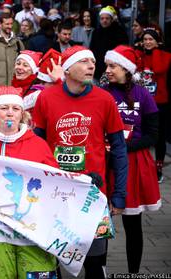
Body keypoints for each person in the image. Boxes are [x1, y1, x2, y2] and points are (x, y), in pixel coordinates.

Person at [33, 45, 128, 279]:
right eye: (84, 61)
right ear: (66, 69)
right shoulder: (46, 97)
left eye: (92, 62)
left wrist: (119, 193)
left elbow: (119, 149)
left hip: (93, 196)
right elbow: (36, 147)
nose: (91, 66)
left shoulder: (105, 99)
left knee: (94, 264)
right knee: (48, 261)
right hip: (54, 194)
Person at [0, 86, 59, 278]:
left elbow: (56, 183)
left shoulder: (39, 145)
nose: (10, 112)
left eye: (15, 108)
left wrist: (82, 181)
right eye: (4, 108)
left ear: (22, 114)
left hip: (34, 232)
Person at [104, 45, 161, 273]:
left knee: (132, 225)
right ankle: (101, 270)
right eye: (107, 65)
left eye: (112, 66)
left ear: (126, 69)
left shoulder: (143, 94)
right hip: (105, 163)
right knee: (101, 224)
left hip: (133, 163)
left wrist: (123, 146)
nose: (107, 70)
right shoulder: (102, 93)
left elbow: (153, 134)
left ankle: (133, 273)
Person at [137, 27, 171, 183]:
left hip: (160, 102)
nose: (147, 42)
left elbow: (158, 68)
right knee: (143, 135)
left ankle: (158, 168)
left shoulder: (165, 55)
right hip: (144, 102)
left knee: (160, 137)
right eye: (145, 40)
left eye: (151, 39)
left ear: (157, 41)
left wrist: (156, 50)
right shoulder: (140, 56)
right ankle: (142, 166)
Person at [89, 6, 128, 80]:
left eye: (107, 18)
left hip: (114, 71)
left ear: (111, 19)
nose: (104, 20)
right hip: (98, 71)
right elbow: (92, 50)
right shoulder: (96, 32)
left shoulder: (119, 32)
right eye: (102, 18)